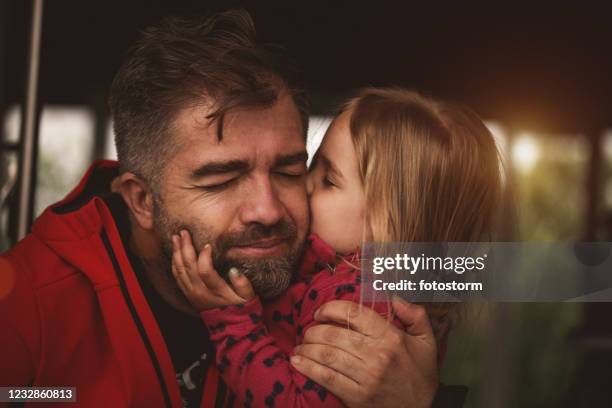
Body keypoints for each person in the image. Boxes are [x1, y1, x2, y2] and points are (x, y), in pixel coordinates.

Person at [0, 10, 463, 408]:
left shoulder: (332, 261)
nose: (267, 210)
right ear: (141, 200)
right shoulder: (30, 297)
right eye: (222, 179)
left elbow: (504, 268)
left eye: (287, 171)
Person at [169, 88, 501, 406]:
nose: (306, 186)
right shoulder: (333, 271)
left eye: (329, 179)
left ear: (386, 223)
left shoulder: (356, 303)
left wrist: (232, 325)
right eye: (310, 167)